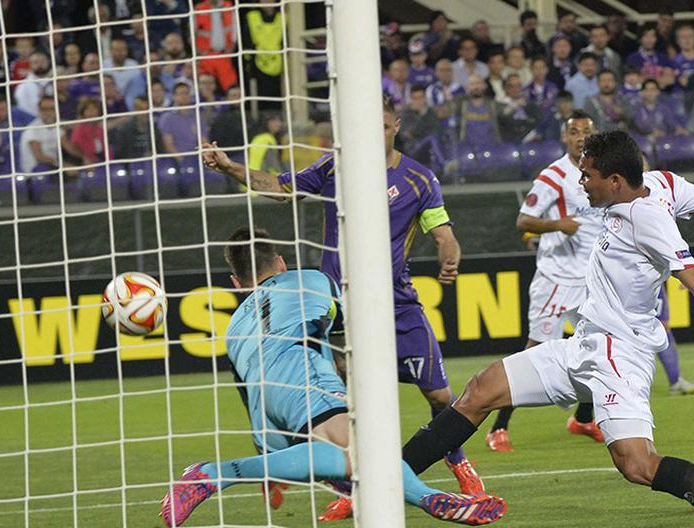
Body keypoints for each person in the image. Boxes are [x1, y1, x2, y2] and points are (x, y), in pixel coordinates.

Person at [400, 130, 694, 528]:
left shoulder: (649, 220)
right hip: (586, 343)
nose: (581, 182)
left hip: (620, 354)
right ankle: (388, 480)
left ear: (614, 181)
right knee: (480, 390)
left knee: (638, 465)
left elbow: (693, 278)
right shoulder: (662, 183)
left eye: (587, 175)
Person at [201, 96, 486, 520]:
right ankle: (353, 486)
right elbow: (282, 188)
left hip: (395, 302)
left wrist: (450, 252)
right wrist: (230, 167)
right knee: (340, 401)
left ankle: (457, 459)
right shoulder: (336, 168)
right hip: (337, 305)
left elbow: (442, 230)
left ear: (395, 126)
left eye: (383, 126)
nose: (375, 134)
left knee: (440, 394)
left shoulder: (419, 179)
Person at [159, 228, 506, 528]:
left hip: (269, 400)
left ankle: (429, 500)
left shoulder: (233, 328)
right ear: (280, 262)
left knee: (353, 460)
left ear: (237, 283)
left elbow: (252, 398)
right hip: (304, 371)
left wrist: (273, 463)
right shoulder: (312, 279)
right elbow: (348, 333)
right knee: (365, 453)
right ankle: (211, 474)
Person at [487, 110, 605, 452]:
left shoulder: (599, 172)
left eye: (586, 130)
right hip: (556, 278)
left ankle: (583, 419)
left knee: (600, 347)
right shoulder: (554, 176)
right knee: (534, 353)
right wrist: (558, 225)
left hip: (591, 279)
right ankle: (498, 428)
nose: (580, 136)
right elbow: (524, 219)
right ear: (564, 138)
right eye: (574, 131)